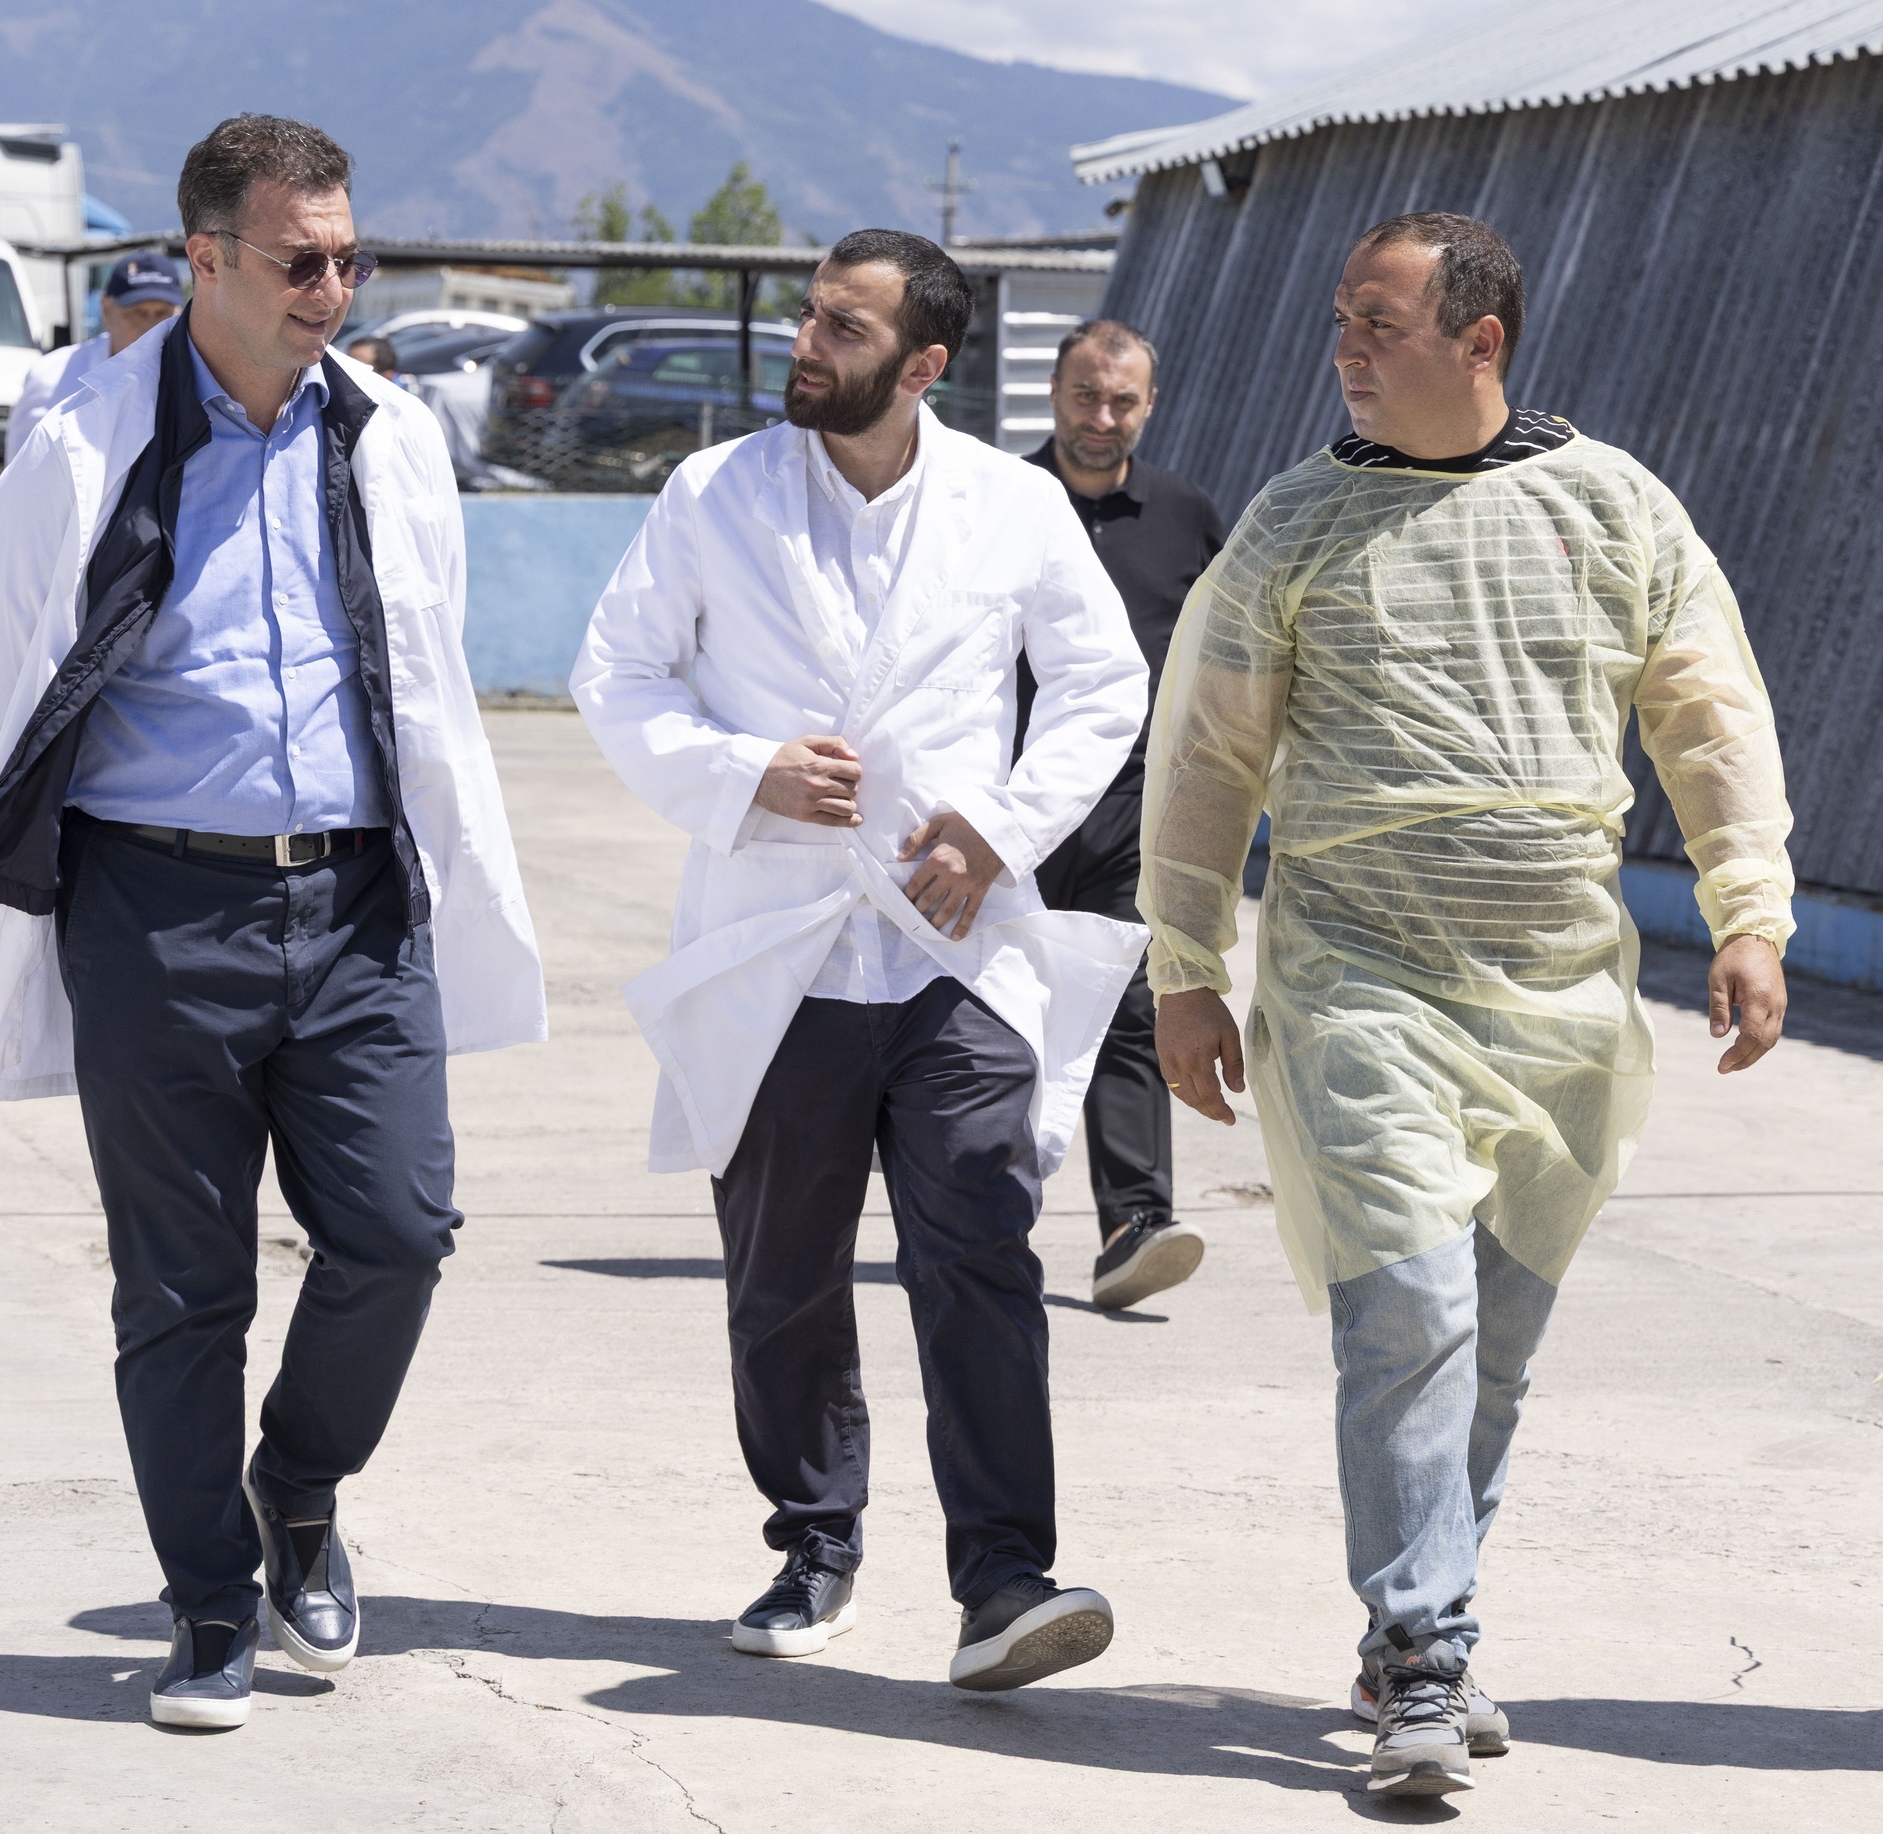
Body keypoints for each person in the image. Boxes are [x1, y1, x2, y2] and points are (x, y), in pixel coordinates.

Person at [0, 114, 547, 1731]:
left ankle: (298, 1482)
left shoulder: (392, 436)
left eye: (350, 258)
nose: (333, 289)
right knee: (182, 1284)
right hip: (155, 906)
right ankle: (205, 1601)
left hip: (356, 900)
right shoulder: (85, 443)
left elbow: (427, 657)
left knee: (399, 1228)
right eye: (299, 261)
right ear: (204, 259)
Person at [1144, 213, 1793, 1798]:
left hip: (1561, 992)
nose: (1346, 349)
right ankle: (1425, 1648)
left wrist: (1749, 911)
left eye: (1379, 322)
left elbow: (1708, 716)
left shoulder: (1614, 503)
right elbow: (1207, 755)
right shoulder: (1295, 524)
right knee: (1411, 1310)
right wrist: (1184, 964)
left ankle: (1412, 1634)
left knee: (1492, 1342)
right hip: (1357, 976)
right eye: (1340, 320)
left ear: (1480, 339)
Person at [573, 229, 1148, 1691]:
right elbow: (616, 675)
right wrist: (742, 771)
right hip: (778, 945)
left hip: (952, 953)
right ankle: (813, 1540)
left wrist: (1000, 831)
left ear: (922, 363)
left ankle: (1004, 1576)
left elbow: (1102, 684)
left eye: (843, 326)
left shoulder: (1010, 505)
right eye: (810, 315)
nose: (806, 343)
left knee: (979, 1250)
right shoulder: (715, 494)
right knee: (781, 1274)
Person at [1020, 319, 1226, 1309]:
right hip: (1007, 814)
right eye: (1084, 396)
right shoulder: (1000, 501)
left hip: (1131, 811)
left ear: (1149, 405)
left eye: (1121, 401)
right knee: (990, 1021)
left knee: (1127, 1010)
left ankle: (1133, 1224)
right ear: (1054, 394)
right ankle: (978, 1215)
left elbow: (1228, 655)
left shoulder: (1185, 516)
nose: (1100, 418)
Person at [4, 253, 186, 461]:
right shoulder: (51, 378)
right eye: (138, 312)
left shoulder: (195, 378)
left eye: (162, 313)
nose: (151, 327)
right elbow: (24, 467)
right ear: (106, 309)